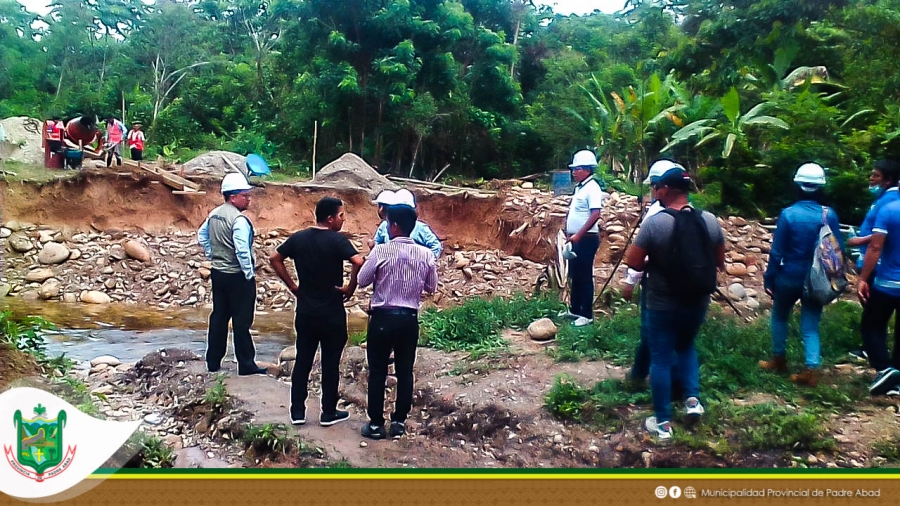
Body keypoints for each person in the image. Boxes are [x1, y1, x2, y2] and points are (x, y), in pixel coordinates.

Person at [624, 166, 725, 441]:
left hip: (662, 302)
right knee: (686, 346)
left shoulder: (655, 224)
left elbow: (633, 262)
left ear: (665, 190)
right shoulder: (710, 221)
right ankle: (692, 400)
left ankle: (663, 422)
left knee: (660, 358)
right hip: (697, 300)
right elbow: (719, 262)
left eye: (656, 187)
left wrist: (655, 263)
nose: (654, 191)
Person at [269, 197, 365, 427]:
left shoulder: (299, 238)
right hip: (331, 311)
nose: (343, 220)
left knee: (303, 359)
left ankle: (297, 411)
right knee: (331, 363)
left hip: (306, 311)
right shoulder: (337, 241)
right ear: (330, 218)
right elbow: (359, 261)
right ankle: (328, 412)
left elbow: (274, 257)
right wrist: (350, 287)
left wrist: (293, 286)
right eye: (341, 216)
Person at [358, 205, 438, 440]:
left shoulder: (381, 251)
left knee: (377, 371)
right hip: (409, 319)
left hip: (382, 317)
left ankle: (375, 424)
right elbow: (431, 287)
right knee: (405, 371)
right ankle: (399, 421)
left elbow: (363, 280)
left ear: (393, 226)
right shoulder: (426, 254)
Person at [760, 162, 843, 387]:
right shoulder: (829, 214)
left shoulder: (788, 214)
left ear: (797, 185)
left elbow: (777, 251)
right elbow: (837, 249)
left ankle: (778, 359)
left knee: (779, 316)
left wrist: (769, 278)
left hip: (789, 275)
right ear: (820, 187)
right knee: (810, 324)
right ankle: (811, 369)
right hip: (818, 279)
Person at [197, 172, 267, 376]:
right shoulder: (239, 220)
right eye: (245, 195)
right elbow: (242, 249)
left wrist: (212, 255)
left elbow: (202, 235)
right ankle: (245, 363)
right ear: (233, 196)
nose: (249, 198)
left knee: (219, 316)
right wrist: (248, 273)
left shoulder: (214, 214)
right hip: (237, 276)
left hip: (218, 273)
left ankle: (213, 360)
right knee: (242, 320)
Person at [622, 159, 682, 385]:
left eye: (653, 186)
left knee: (651, 331)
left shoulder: (656, 215)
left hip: (656, 283)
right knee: (678, 336)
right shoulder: (694, 213)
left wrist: (630, 281)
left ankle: (642, 377)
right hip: (685, 284)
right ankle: (678, 384)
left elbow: (640, 256)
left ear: (661, 187)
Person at [846, 160, 900, 362]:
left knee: (874, 317)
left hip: (882, 268)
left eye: (876, 175)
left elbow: (880, 240)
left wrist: (859, 240)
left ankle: (880, 360)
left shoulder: (889, 204)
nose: (871, 178)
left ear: (888, 180)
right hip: (880, 264)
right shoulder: (884, 199)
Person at [857, 164, 900, 396]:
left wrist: (863, 278)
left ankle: (885, 368)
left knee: (871, 327)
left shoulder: (890, 209)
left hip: (888, 283)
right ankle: (897, 382)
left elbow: (875, 246)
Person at [559, 150, 605, 327]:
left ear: (586, 170)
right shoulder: (580, 188)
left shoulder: (592, 188)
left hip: (586, 239)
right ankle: (575, 309)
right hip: (576, 239)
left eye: (576, 168)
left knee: (584, 275)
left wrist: (578, 234)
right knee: (575, 274)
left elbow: (595, 215)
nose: (573, 171)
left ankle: (587, 314)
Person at [368, 189, 442, 258]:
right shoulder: (384, 226)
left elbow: (436, 246)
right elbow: (377, 245)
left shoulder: (420, 228)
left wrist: (424, 262)